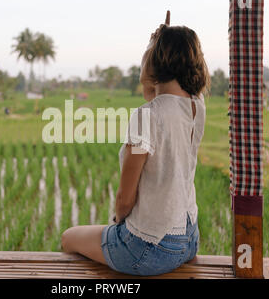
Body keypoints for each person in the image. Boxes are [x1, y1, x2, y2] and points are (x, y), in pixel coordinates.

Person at [61, 21, 210, 276]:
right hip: (188, 240)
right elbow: (166, 102)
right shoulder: (197, 106)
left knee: (68, 237)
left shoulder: (146, 116)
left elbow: (124, 200)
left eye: (148, 49)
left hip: (149, 248)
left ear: (155, 60)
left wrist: (118, 223)